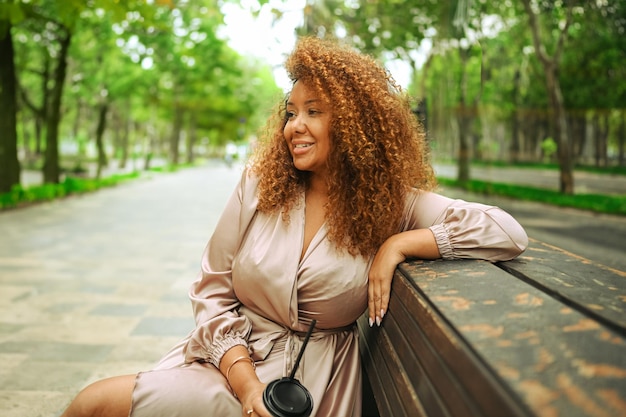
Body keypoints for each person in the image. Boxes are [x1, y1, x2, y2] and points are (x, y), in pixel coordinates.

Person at [61, 36, 528, 417]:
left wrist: (401, 244)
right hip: (229, 363)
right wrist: (245, 385)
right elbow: (211, 291)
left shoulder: (392, 204)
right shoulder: (259, 186)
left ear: (354, 124)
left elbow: (506, 233)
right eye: (291, 112)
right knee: (93, 404)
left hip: (310, 384)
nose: (293, 126)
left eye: (314, 111)